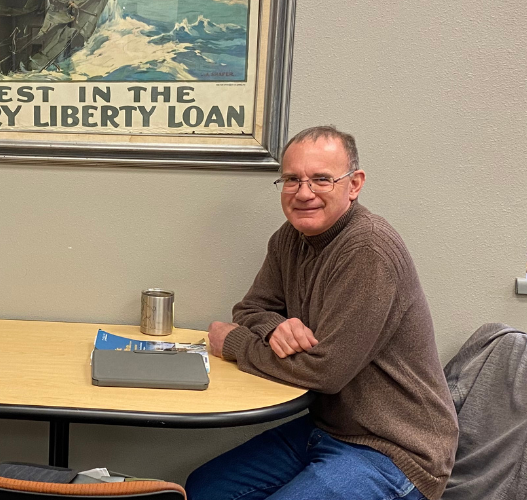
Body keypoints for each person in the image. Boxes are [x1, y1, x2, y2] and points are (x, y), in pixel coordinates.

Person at [187, 126, 458, 500]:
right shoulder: (289, 238)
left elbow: (325, 372)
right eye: (292, 179)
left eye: (321, 180)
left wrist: (234, 342)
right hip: (329, 427)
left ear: (354, 184)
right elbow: (251, 307)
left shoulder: (369, 251)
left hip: (395, 449)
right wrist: (273, 327)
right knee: (204, 489)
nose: (303, 193)